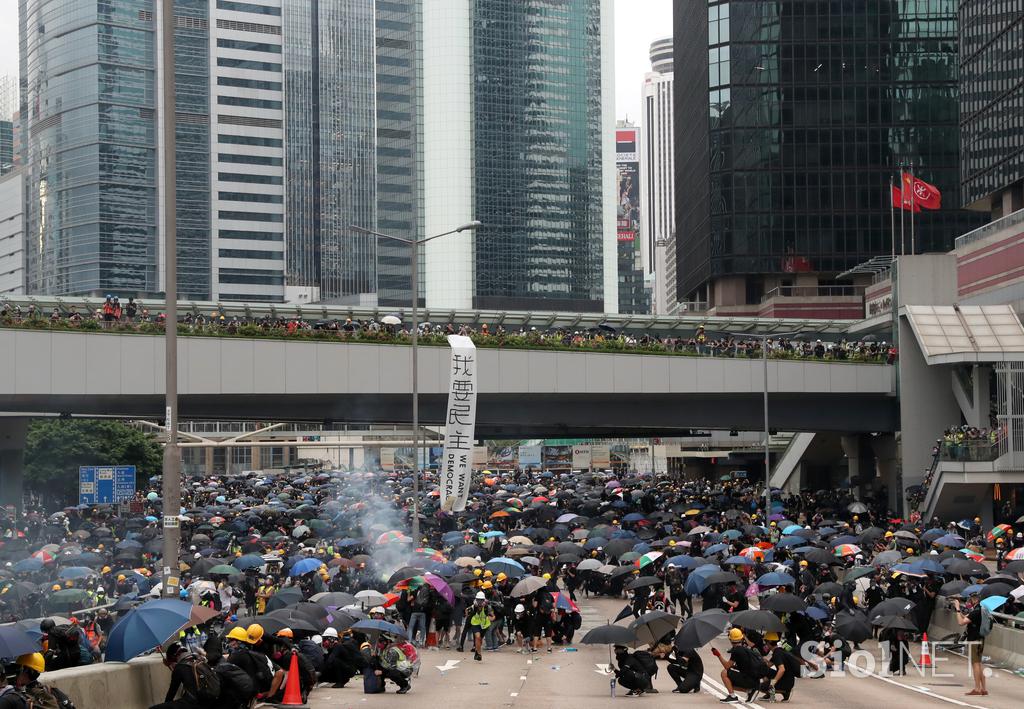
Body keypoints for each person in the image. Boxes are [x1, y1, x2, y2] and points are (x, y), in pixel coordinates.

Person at [150, 642, 219, 709]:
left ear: (175, 656)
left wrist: (165, 705)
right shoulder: (198, 659)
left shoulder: (180, 667)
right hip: (210, 700)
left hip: (194, 703)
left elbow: (171, 693)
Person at [712, 628, 765, 703]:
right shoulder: (744, 648)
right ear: (741, 638)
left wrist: (718, 655)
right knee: (729, 683)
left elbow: (727, 666)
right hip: (755, 680)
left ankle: (732, 696)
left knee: (724, 673)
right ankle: (750, 690)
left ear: (730, 639)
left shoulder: (736, 650)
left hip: (749, 680)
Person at [954, 594, 988, 696]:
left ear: (974, 600)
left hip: (974, 640)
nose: (969, 602)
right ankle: (983, 689)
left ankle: (977, 689)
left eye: (970, 600)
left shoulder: (976, 612)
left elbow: (961, 622)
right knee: (979, 663)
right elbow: (968, 618)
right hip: (981, 639)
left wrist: (957, 609)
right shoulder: (982, 610)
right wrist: (963, 614)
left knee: (975, 664)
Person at [467, 591, 494, 662]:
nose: (479, 601)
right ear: (476, 599)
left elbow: (493, 616)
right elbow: (466, 612)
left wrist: (490, 618)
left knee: (480, 640)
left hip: (484, 625)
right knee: (478, 637)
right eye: (478, 599)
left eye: (481, 600)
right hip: (475, 624)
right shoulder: (473, 606)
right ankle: (479, 654)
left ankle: (476, 651)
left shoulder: (487, 607)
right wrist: (469, 614)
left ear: (484, 600)